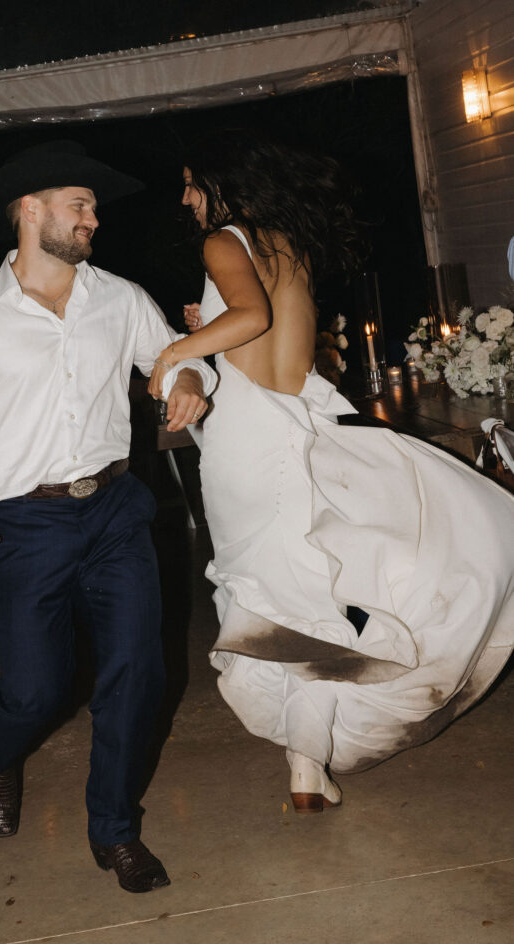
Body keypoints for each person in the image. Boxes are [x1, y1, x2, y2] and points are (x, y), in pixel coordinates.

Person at [148, 130, 514, 814]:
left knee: (267, 597)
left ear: (222, 184)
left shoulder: (221, 241)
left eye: (192, 183)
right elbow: (271, 331)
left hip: (248, 440)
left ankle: (304, 760)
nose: (185, 197)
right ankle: (304, 767)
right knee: (304, 598)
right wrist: (214, 329)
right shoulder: (288, 244)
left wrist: (178, 350)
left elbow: (249, 318)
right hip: (295, 424)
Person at [0, 140, 216, 893]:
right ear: (30, 210)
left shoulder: (120, 296)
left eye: (92, 208)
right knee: (37, 690)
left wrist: (190, 380)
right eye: (79, 205)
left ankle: (113, 831)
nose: (93, 219)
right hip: (18, 522)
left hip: (112, 507)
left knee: (137, 673)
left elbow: (171, 357)